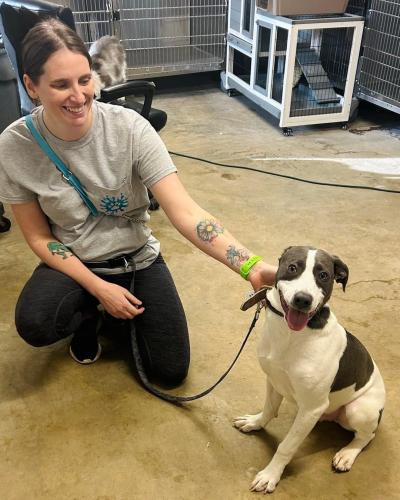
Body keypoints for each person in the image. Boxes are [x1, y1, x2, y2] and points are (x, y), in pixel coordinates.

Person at [0, 19, 276, 387]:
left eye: (84, 80)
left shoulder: (130, 128)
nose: (79, 96)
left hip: (136, 257)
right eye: (60, 85)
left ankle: (113, 314)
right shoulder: (15, 145)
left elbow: (187, 212)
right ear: (31, 86)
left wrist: (250, 266)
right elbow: (37, 237)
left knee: (170, 372)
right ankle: (90, 315)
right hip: (74, 259)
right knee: (35, 323)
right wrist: (99, 288)